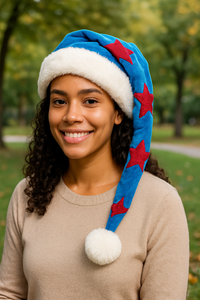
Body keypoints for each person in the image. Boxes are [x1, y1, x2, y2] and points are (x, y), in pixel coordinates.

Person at [0, 30, 189, 299]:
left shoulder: (160, 203)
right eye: (59, 101)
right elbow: (9, 293)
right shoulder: (27, 194)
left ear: (118, 114)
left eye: (90, 101)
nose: (71, 115)